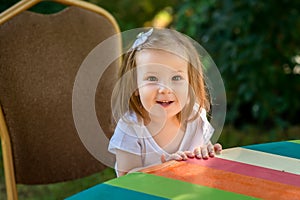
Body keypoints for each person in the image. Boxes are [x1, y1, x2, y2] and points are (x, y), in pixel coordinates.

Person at [108, 28, 222, 176]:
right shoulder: (131, 128)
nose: (165, 89)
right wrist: (162, 170)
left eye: (176, 78)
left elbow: (201, 161)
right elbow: (125, 178)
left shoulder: (195, 118)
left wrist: (206, 152)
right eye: (152, 78)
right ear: (134, 86)